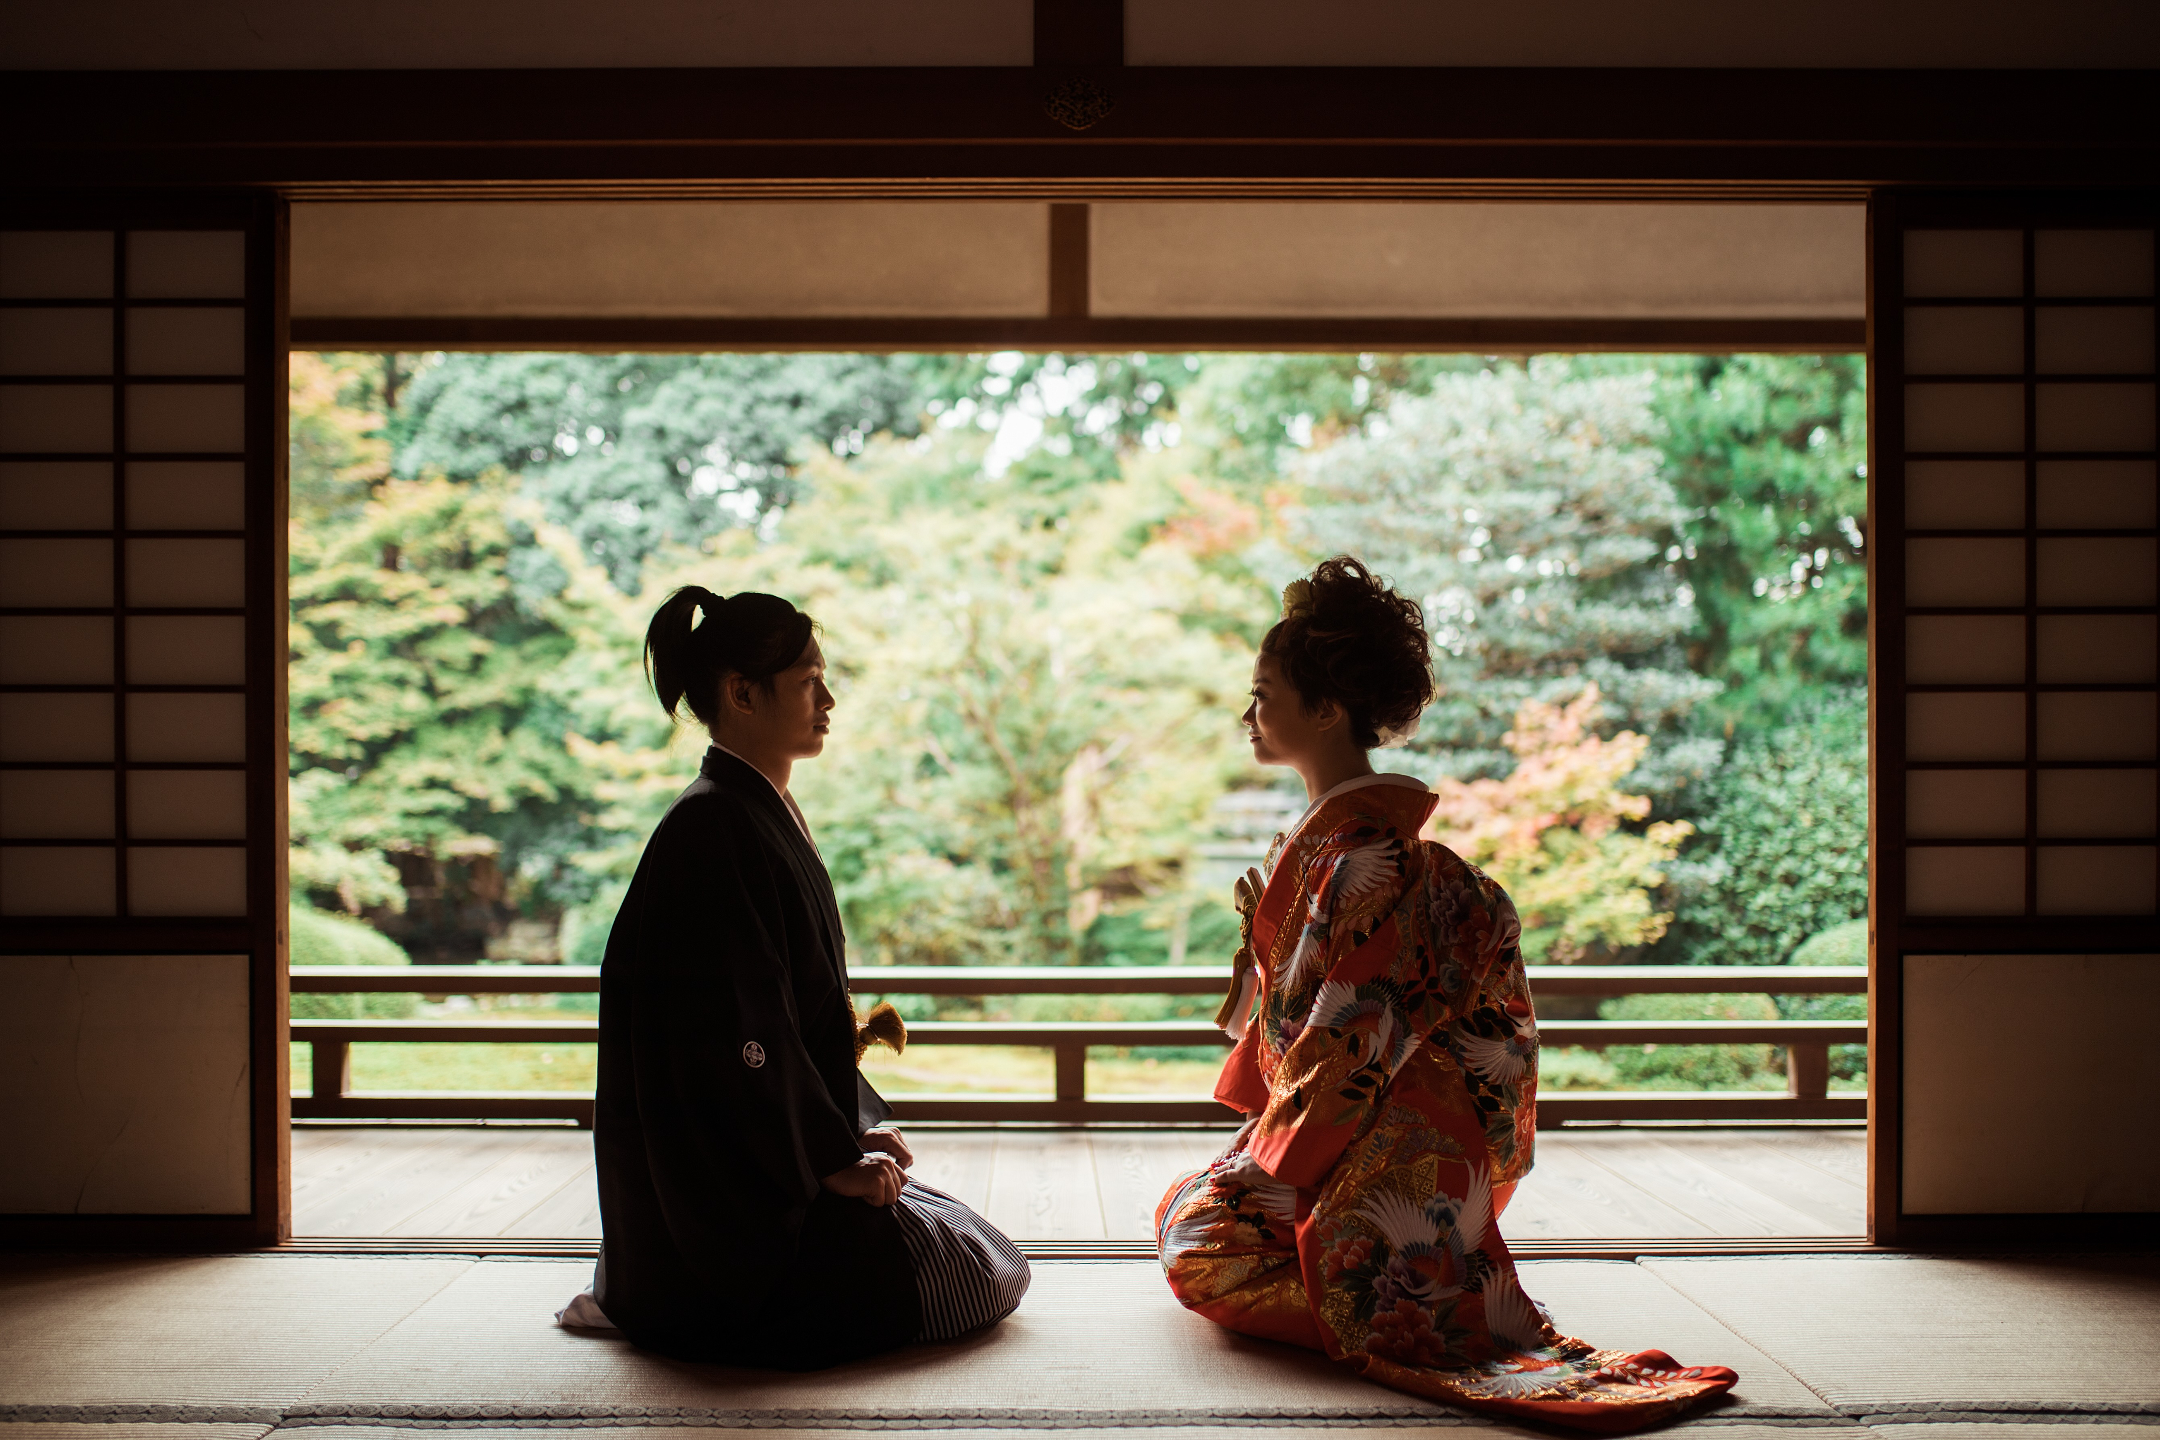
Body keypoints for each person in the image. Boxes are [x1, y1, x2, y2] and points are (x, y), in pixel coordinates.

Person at [1155, 558, 1735, 1431]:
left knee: (1201, 1247)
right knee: (1182, 1209)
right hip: (1360, 1115)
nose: (1249, 714)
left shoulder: (1368, 862)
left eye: (1263, 693)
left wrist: (1277, 1172)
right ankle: (1357, 1273)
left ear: (1325, 710)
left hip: (1393, 1128)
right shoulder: (1344, 847)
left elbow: (1347, 1050)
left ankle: (1389, 1304)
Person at [557, 585, 1029, 1367]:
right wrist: (828, 1160)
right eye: (810, 681)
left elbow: (782, 1022)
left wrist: (849, 1129)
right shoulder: (711, 828)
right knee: (977, 1273)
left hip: (772, 1153)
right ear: (742, 694)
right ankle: (676, 1298)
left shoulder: (745, 810)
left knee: (968, 1240)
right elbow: (742, 1041)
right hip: (733, 1207)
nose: (830, 699)